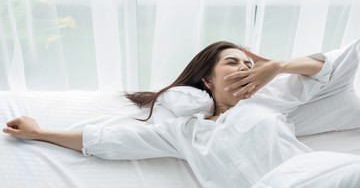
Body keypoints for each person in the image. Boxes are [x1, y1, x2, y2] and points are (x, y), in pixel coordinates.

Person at [3, 40, 360, 187]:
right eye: (232, 62)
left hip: (314, 175)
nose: (243, 67)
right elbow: (106, 140)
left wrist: (278, 67)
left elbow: (340, 65)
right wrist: (39, 133)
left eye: (249, 63)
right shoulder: (183, 131)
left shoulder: (266, 102)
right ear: (207, 78)